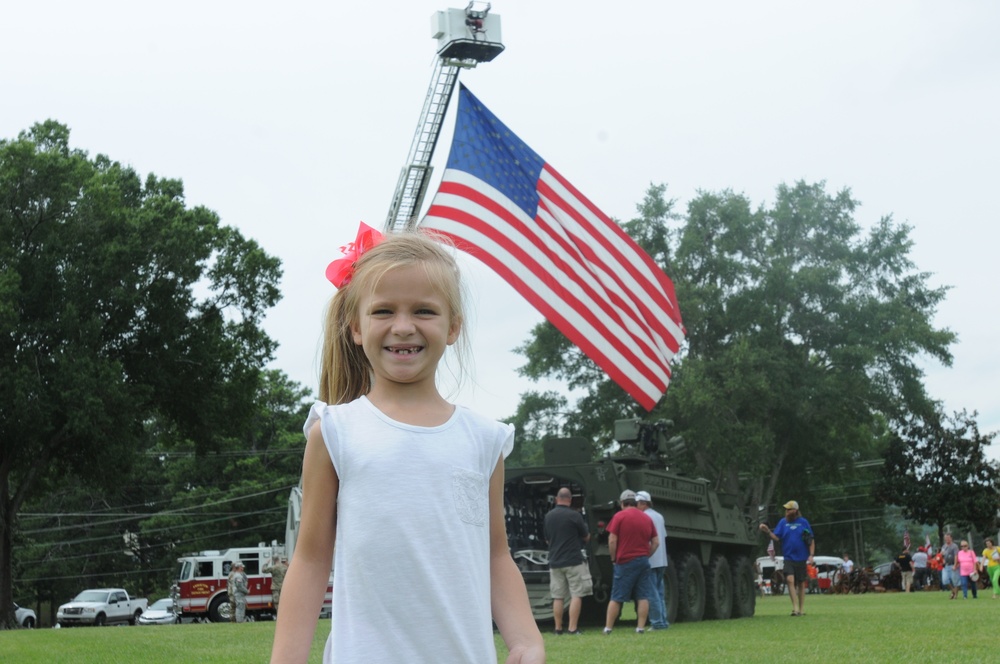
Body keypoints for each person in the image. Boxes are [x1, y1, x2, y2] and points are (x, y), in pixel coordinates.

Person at [270, 227, 544, 664]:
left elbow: (495, 555)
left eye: (424, 310)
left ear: (453, 326)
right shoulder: (335, 432)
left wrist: (527, 642)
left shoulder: (484, 440)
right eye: (383, 311)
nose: (403, 327)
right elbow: (310, 559)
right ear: (355, 327)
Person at [603, 490, 658, 635]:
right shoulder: (646, 518)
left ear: (622, 503)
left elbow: (612, 540)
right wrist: (646, 555)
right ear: (635, 503)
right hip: (643, 561)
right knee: (643, 596)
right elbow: (656, 542)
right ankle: (640, 628)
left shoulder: (619, 516)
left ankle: (608, 628)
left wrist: (613, 559)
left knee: (617, 596)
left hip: (625, 561)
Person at [543, 487, 592, 635]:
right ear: (570, 500)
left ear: (557, 499)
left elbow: (547, 540)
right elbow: (586, 537)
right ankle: (572, 628)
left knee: (557, 596)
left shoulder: (549, 516)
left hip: (555, 561)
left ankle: (558, 628)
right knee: (576, 594)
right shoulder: (575, 516)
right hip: (573, 561)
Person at [760, 500, 815, 616]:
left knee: (800, 583)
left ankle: (801, 609)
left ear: (795, 510)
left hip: (801, 558)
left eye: (789, 509)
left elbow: (811, 539)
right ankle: (795, 608)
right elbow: (776, 537)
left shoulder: (803, 522)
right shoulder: (782, 523)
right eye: (786, 509)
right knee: (790, 580)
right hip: (788, 557)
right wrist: (768, 531)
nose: (786, 511)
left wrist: (811, 555)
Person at [635, 490, 669, 630]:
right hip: (661, 559)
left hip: (650, 559)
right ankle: (663, 620)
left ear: (643, 503)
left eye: (636, 503)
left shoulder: (643, 517)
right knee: (659, 592)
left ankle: (657, 623)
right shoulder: (659, 516)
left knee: (651, 593)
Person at [941, 533, 960, 599]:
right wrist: (942, 560)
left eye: (948, 538)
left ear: (951, 538)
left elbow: (956, 555)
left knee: (955, 581)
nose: (947, 539)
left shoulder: (954, 546)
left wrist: (955, 565)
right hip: (946, 565)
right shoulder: (944, 546)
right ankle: (953, 591)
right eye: (946, 538)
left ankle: (955, 595)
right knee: (945, 580)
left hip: (952, 565)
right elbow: (942, 555)